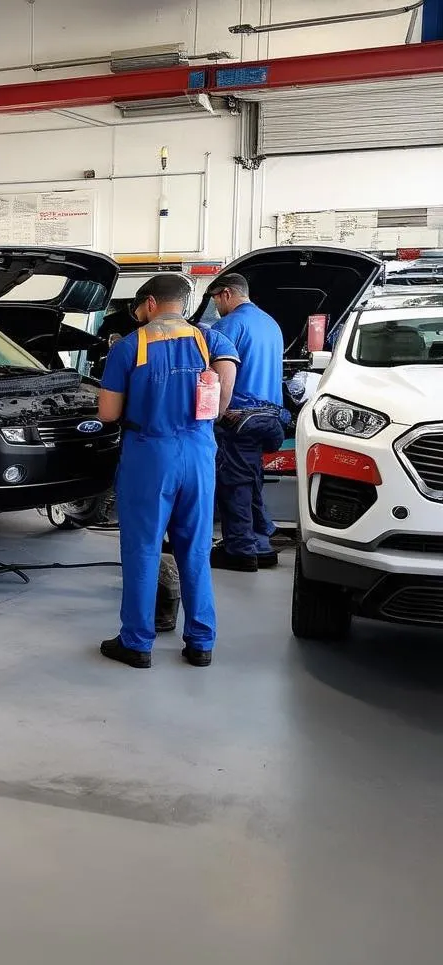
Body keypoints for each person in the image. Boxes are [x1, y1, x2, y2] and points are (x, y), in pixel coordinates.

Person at [98, 274, 238, 669]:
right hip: (197, 452)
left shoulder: (129, 346)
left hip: (149, 456)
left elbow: (107, 413)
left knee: (142, 549)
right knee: (195, 549)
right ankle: (200, 643)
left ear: (152, 303)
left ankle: (137, 642)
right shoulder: (211, 340)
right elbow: (223, 397)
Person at [206, 273, 289, 572]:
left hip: (238, 417)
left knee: (234, 483)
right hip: (270, 418)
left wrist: (216, 412)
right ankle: (260, 545)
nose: (216, 306)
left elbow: (216, 375)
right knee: (251, 479)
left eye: (216, 299)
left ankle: (240, 550)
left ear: (226, 294)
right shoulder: (271, 323)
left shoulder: (229, 325)